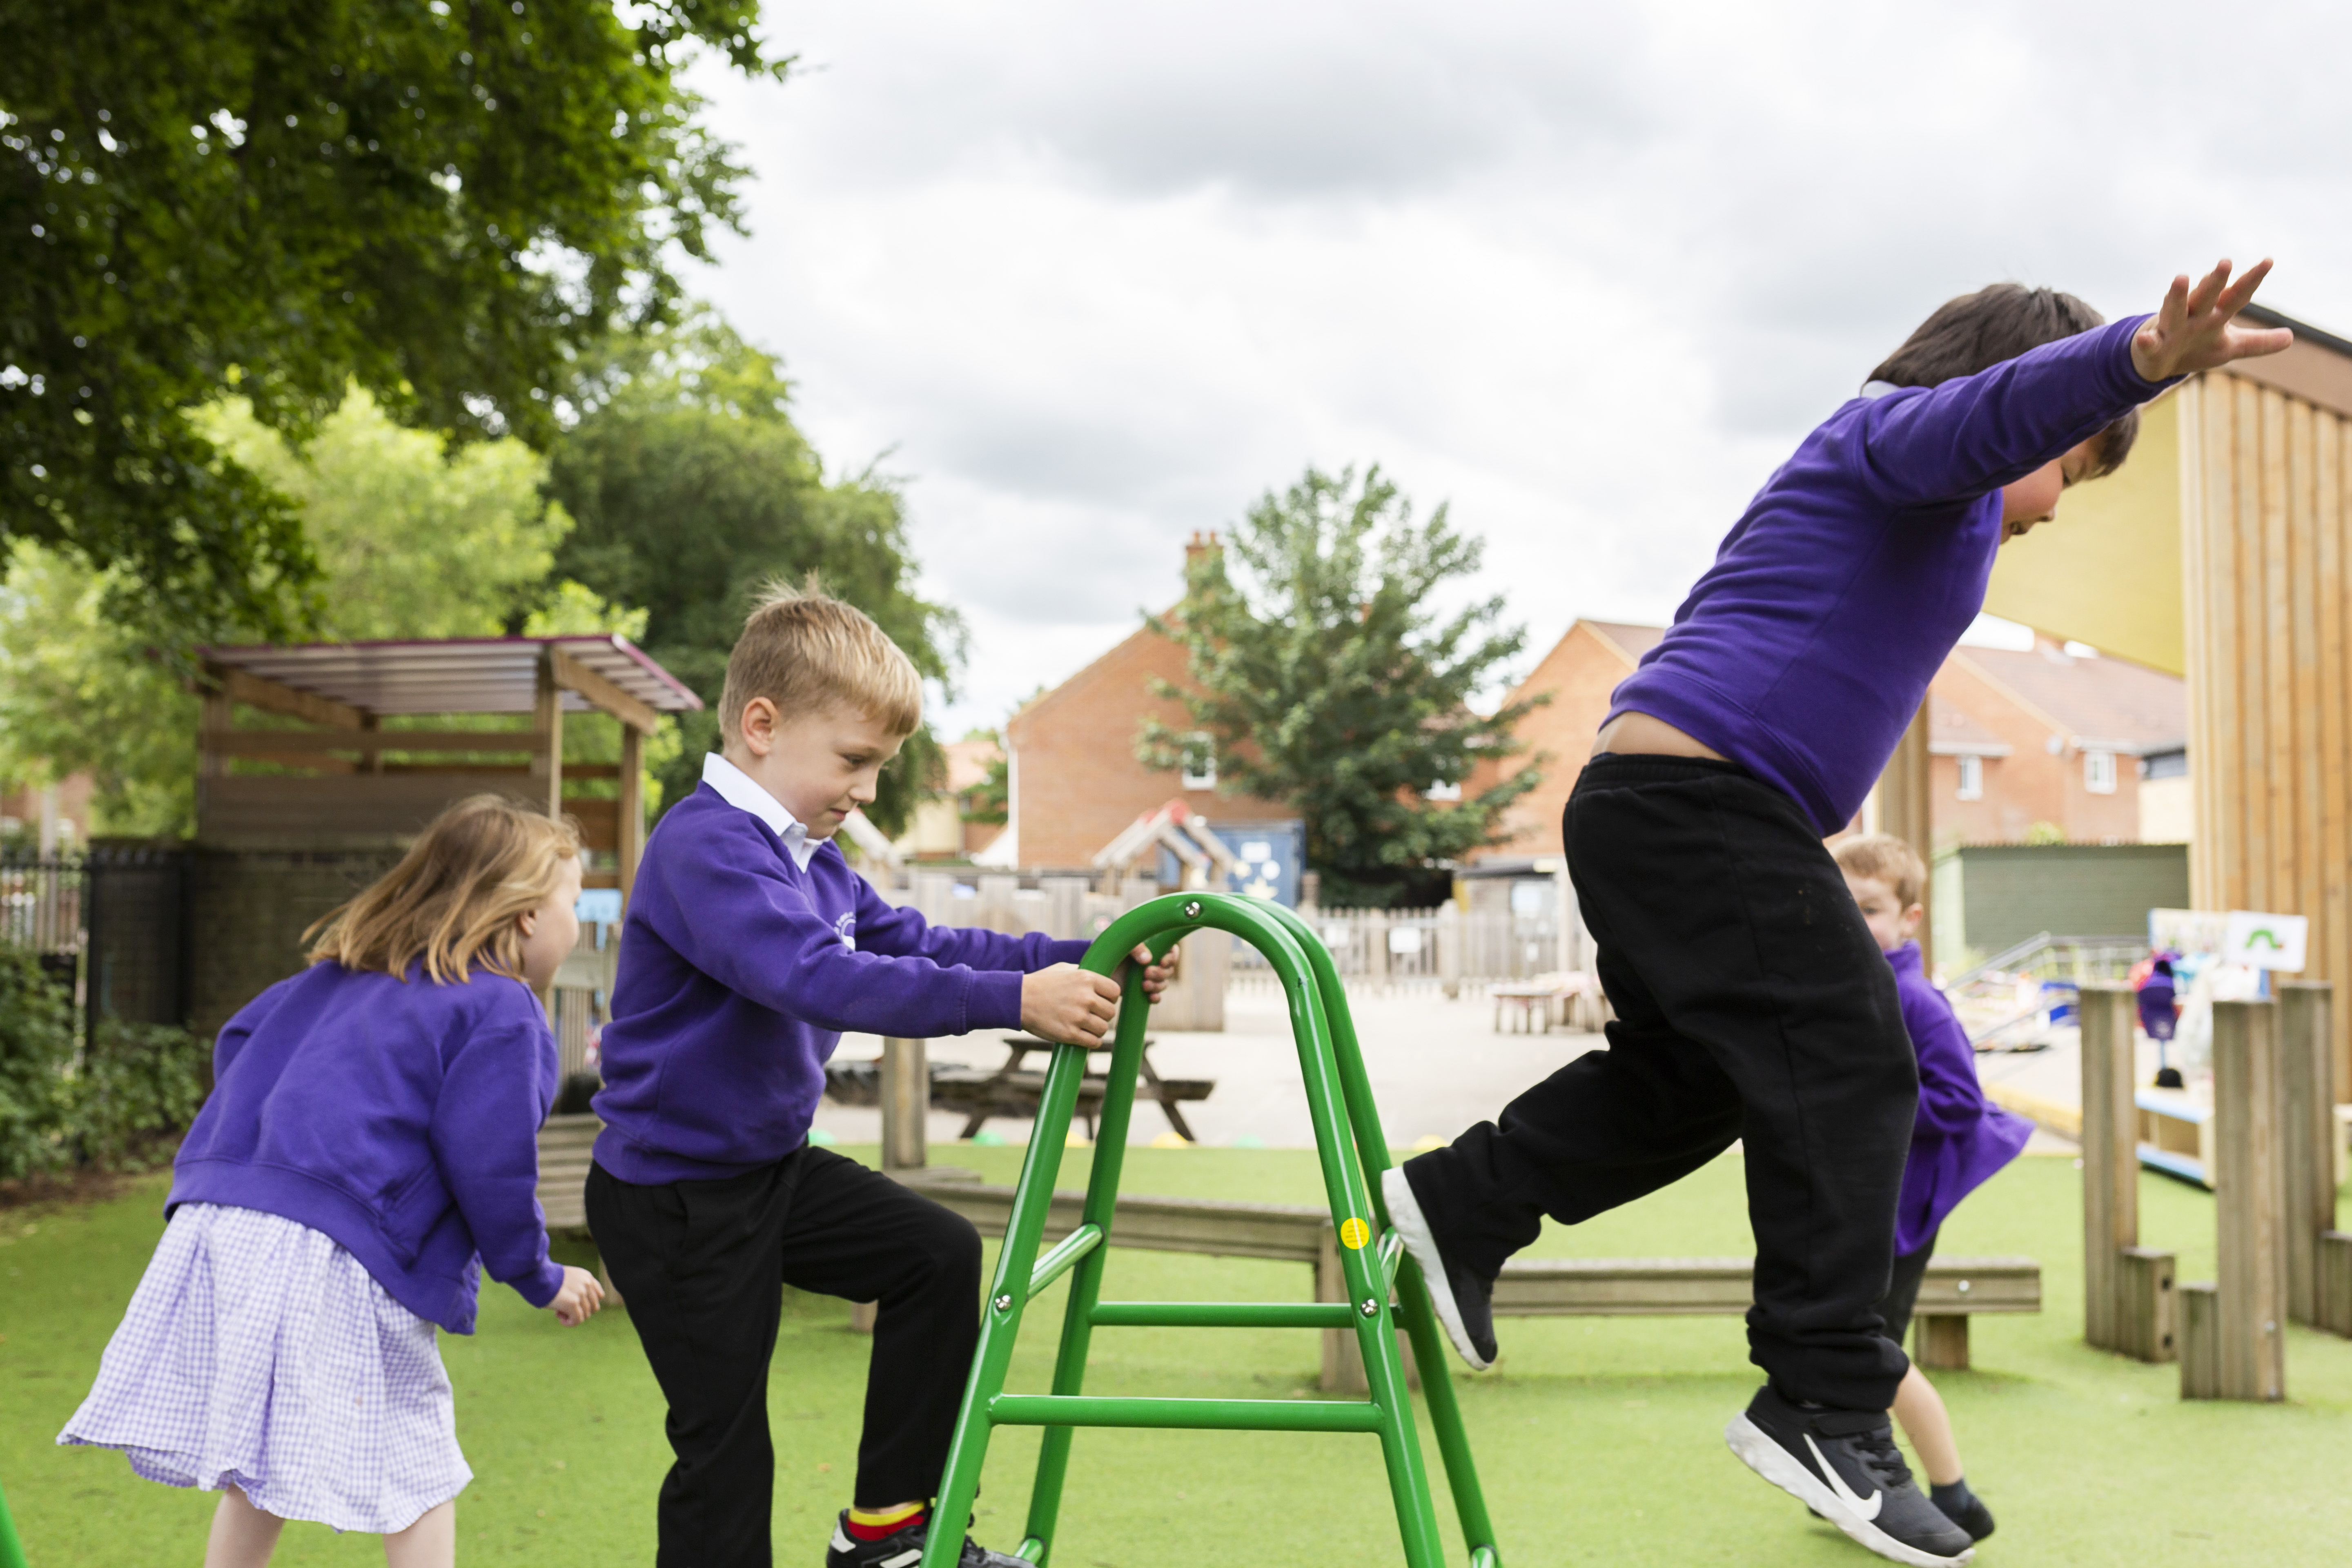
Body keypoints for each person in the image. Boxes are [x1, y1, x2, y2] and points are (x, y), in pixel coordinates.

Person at [1383, 260, 2290, 1568]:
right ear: (2021, 409)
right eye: (2074, 469)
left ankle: (1464, 1204)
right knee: (1863, 1060)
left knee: (1698, 1079)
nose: (2059, 505)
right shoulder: (1895, 439)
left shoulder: (1937, 502)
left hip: (1672, 808)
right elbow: (1986, 422)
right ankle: (1821, 1397)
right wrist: (2138, 358)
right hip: (1697, 805)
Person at [584, 584, 1174, 1568]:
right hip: (673, 1195)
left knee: (933, 1255)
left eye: (879, 767)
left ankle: (887, 1533)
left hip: (768, 1171)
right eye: (853, 761)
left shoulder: (815, 862)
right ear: (762, 726)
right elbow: (816, 978)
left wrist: (1093, 950)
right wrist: (1015, 1007)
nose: (864, 789)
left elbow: (926, 941)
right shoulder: (705, 849)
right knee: (724, 1444)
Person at [58, 795, 606, 1568]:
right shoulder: (500, 1010)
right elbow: (492, 1164)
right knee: (417, 1463)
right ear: (524, 917)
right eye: (572, 903)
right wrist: (539, 1275)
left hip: (223, 1223)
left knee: (259, 1445)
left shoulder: (339, 978)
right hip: (336, 1248)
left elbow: (242, 1039)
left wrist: (277, 1143)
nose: (574, 924)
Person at [1832, 833, 2032, 1545]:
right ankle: (1853, 1476)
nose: (1856, 921)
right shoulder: (1848, 987)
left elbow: (1959, 1101)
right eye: (1843, 906)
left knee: (1872, 1350)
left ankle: (1953, 1494)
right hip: (1863, 1204)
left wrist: (1867, 1101)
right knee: (1849, 1347)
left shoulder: (1916, 1001)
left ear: (1908, 918)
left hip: (1901, 1209)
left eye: (1872, 908)